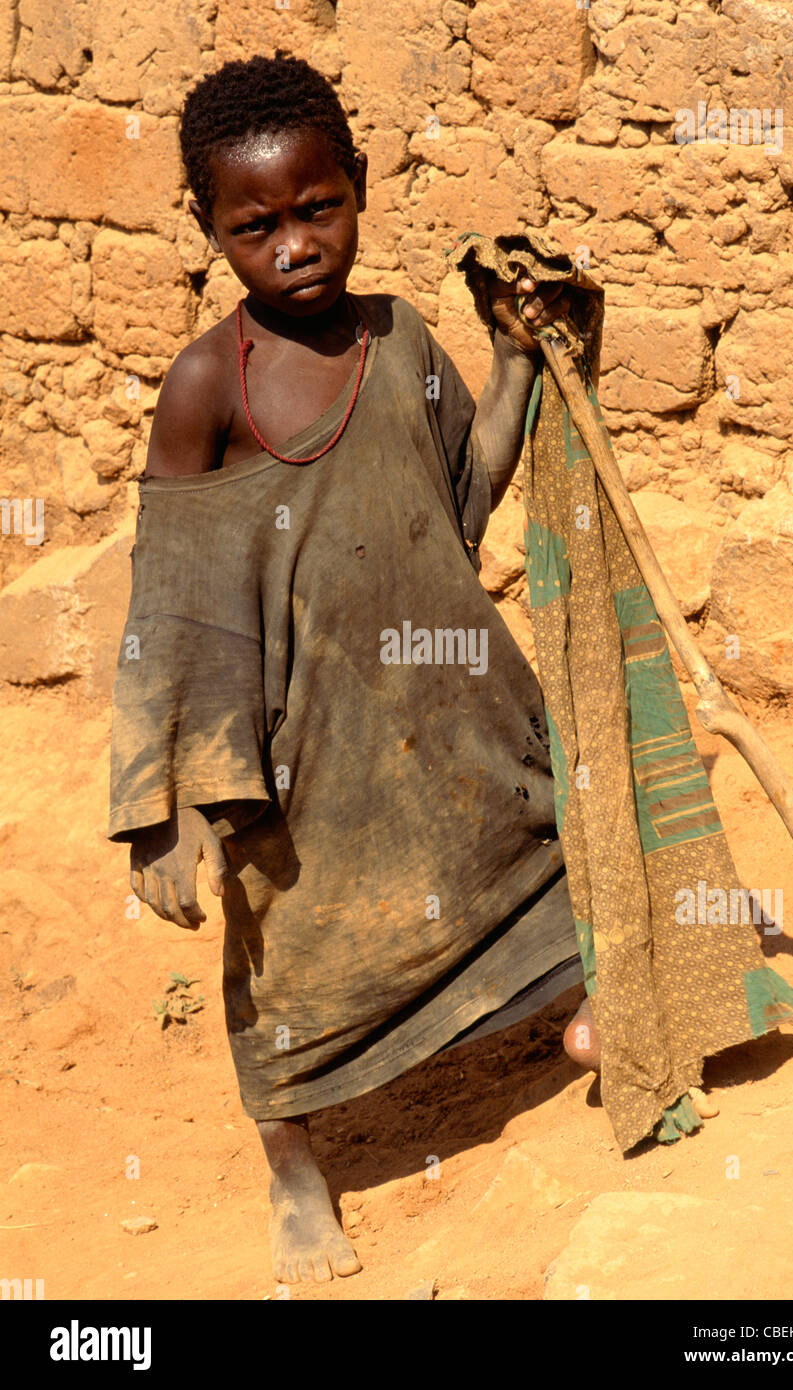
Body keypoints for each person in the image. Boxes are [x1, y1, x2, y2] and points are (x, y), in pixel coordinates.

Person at [108, 50, 599, 1286]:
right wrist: (157, 809)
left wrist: (515, 359)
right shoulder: (206, 386)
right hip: (296, 733)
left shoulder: (400, 335)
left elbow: (465, 496)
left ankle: (589, 1011)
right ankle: (294, 1165)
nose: (291, 245)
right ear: (210, 229)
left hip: (447, 692)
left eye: (315, 208)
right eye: (253, 225)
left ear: (360, 186)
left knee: (532, 843)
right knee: (286, 944)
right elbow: (169, 607)